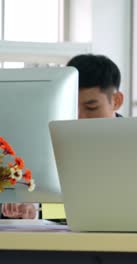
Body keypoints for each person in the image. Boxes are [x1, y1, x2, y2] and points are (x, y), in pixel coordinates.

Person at [0, 54, 124, 219]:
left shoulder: (135, 148)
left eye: (91, 107)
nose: (79, 118)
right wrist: (30, 203)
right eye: (72, 106)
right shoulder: (45, 140)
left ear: (116, 101)